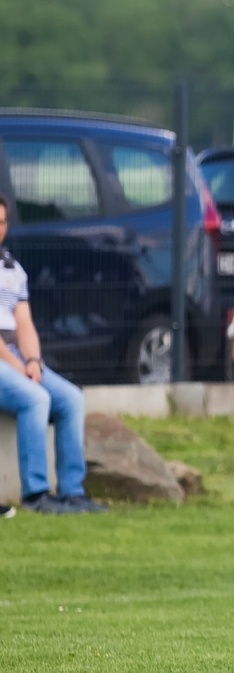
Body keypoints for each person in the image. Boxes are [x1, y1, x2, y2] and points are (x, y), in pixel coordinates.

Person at [0, 195, 106, 515]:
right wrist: (18, 366)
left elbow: (25, 325)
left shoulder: (12, 268)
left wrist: (32, 361)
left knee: (71, 398)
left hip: (16, 355)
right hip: (4, 358)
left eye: (2, 222)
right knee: (35, 398)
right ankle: (36, 495)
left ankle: (73, 492)